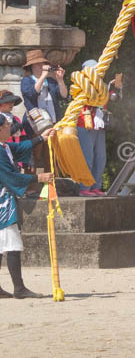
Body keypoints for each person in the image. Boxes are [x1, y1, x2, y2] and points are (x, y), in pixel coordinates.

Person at [0, 112, 54, 298]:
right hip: (2, 202)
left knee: (2, 244)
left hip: (4, 199)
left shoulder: (4, 147)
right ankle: (19, 288)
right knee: (12, 244)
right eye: (7, 126)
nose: (10, 128)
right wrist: (38, 177)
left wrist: (41, 138)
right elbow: (10, 177)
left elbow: (19, 147)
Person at [75, 59, 120, 196]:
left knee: (100, 157)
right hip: (85, 122)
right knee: (87, 156)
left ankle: (96, 186)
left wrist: (115, 88)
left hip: (99, 123)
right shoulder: (81, 84)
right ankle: (84, 187)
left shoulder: (102, 85)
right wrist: (105, 89)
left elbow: (113, 99)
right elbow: (91, 99)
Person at [20, 49, 68, 126]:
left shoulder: (51, 81)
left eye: (42, 63)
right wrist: (43, 75)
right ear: (31, 66)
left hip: (54, 121)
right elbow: (33, 94)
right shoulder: (26, 81)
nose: (41, 66)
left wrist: (60, 80)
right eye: (37, 64)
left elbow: (64, 95)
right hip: (37, 124)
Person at [0, 92, 33, 174]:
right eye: (8, 102)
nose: (11, 104)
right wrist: (16, 127)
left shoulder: (16, 119)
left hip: (15, 158)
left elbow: (23, 139)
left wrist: (29, 159)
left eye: (12, 102)